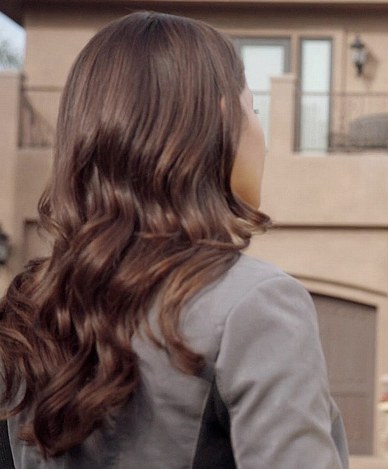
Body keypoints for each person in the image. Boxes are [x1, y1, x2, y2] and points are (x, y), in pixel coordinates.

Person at [0, 11, 348, 468]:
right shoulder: (254, 304)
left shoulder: (30, 308)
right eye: (254, 110)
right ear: (223, 124)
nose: (261, 138)